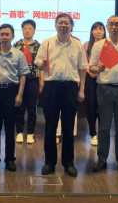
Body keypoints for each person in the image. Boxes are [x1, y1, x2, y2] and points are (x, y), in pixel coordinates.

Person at [35, 13, 88, 178]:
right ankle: (50, 162)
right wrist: (42, 64)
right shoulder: (47, 43)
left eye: (66, 23)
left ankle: (68, 163)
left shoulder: (77, 45)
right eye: (60, 23)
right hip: (51, 87)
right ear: (55, 25)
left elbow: (82, 69)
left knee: (68, 127)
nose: (63, 25)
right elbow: (39, 65)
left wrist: (82, 90)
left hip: (70, 88)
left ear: (71, 26)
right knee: (50, 127)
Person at [89, 15, 118, 176]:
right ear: (107, 26)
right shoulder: (99, 45)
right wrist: (97, 68)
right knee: (104, 127)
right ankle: (102, 159)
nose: (114, 27)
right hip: (104, 89)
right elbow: (91, 68)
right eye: (111, 24)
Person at [0, 24, 31, 173]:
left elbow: (23, 74)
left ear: (12, 36)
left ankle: (10, 159)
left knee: (10, 128)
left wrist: (20, 94)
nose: (4, 37)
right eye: (2, 34)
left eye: (7, 34)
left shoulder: (18, 54)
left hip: (12, 92)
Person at [13, 20, 43, 145]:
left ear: (34, 31)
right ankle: (19, 132)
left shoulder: (38, 46)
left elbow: (41, 65)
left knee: (32, 107)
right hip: (19, 79)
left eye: (30, 28)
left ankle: (30, 132)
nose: (27, 31)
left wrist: (41, 80)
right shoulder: (16, 45)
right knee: (19, 106)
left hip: (33, 79)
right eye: (25, 28)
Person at [83, 22, 105, 147]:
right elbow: (82, 61)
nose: (98, 31)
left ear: (104, 31)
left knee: (103, 107)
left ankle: (102, 133)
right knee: (91, 106)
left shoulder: (108, 44)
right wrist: (89, 70)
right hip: (90, 78)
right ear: (92, 31)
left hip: (103, 77)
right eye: (95, 29)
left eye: (101, 29)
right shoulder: (87, 44)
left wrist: (98, 71)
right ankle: (93, 133)